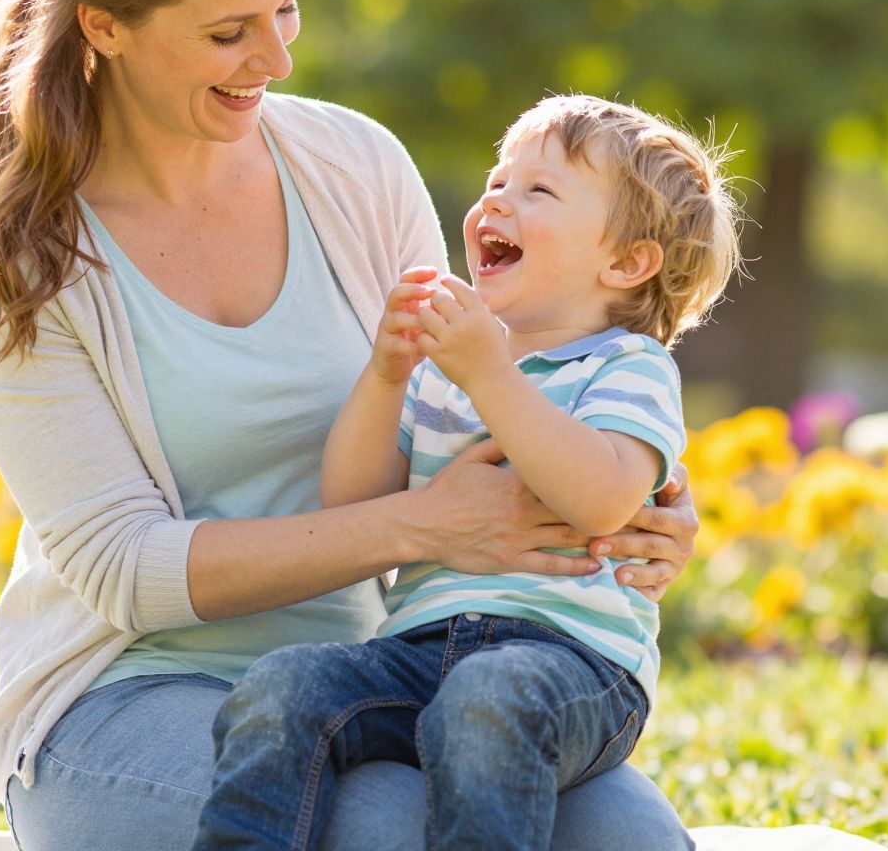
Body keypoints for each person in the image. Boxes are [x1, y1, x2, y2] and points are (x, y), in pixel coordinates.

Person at [0, 0, 698, 851]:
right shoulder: (13, 251)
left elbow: (497, 385)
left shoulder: (353, 164)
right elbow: (125, 572)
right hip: (131, 691)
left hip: (396, 665)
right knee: (394, 830)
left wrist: (633, 500)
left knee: (625, 843)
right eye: (227, 32)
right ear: (104, 26)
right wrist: (420, 528)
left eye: (286, 9)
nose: (274, 60)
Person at [192, 96, 742, 849]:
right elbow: (356, 502)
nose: (496, 199)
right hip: (419, 652)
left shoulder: (628, 367)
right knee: (282, 687)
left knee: (486, 698)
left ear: (626, 262)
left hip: (573, 665)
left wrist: (490, 374)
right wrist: (387, 376)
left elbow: (604, 499)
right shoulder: (448, 369)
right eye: (497, 179)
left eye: (537, 191)